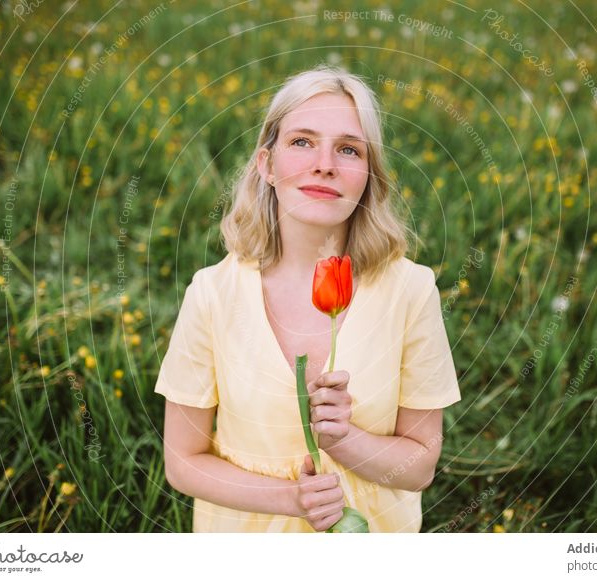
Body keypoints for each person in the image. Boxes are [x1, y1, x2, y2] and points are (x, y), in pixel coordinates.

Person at [155, 64, 461, 532]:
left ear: (367, 177)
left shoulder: (410, 291)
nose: (325, 164)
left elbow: (419, 467)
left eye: (348, 149)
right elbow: (182, 462)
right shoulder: (213, 293)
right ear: (267, 165)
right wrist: (290, 497)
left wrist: (346, 441)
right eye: (301, 142)